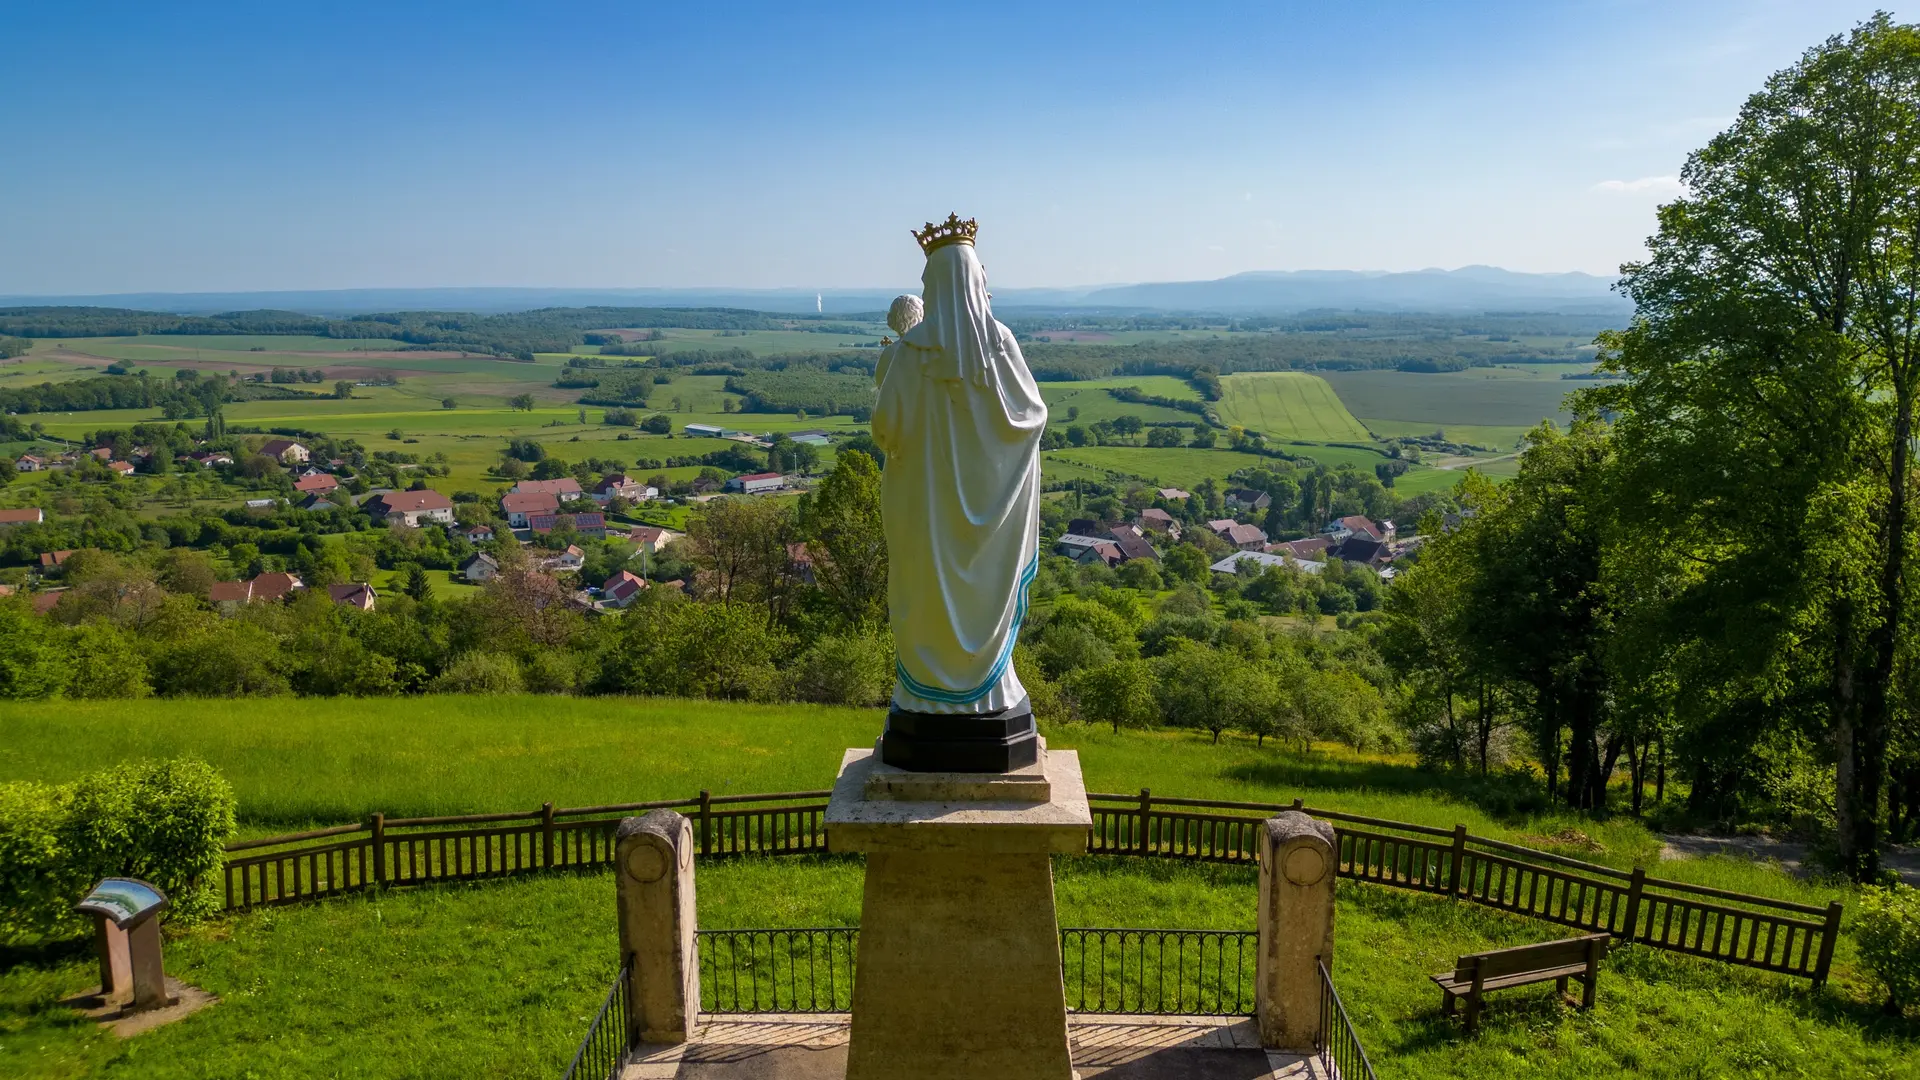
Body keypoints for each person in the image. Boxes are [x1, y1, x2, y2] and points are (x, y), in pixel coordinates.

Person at [871, 216, 1049, 770]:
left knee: (923, 593)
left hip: (924, 510)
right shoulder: (1001, 347)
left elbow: (886, 431)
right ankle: (985, 692)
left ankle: (928, 694)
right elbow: (1032, 419)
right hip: (988, 517)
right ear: (978, 282)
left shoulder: (909, 353)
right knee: (982, 592)